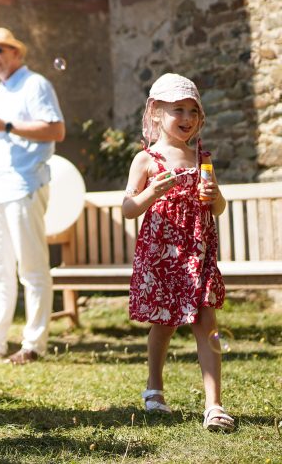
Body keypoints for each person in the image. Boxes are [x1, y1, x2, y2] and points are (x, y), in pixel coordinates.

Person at [122, 73, 233, 432]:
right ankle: (154, 388)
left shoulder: (202, 156)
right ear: (156, 112)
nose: (186, 118)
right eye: (177, 110)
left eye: (192, 111)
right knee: (164, 324)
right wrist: (151, 193)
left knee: (206, 323)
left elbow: (218, 209)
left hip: (198, 252)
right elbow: (127, 207)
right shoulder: (147, 160)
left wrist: (214, 197)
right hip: (162, 255)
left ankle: (213, 406)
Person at [0, 27, 64, 365]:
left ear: (17, 53)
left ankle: (34, 343)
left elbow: (56, 129)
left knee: (31, 267)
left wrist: (6, 125)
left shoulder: (35, 84)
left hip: (25, 184)